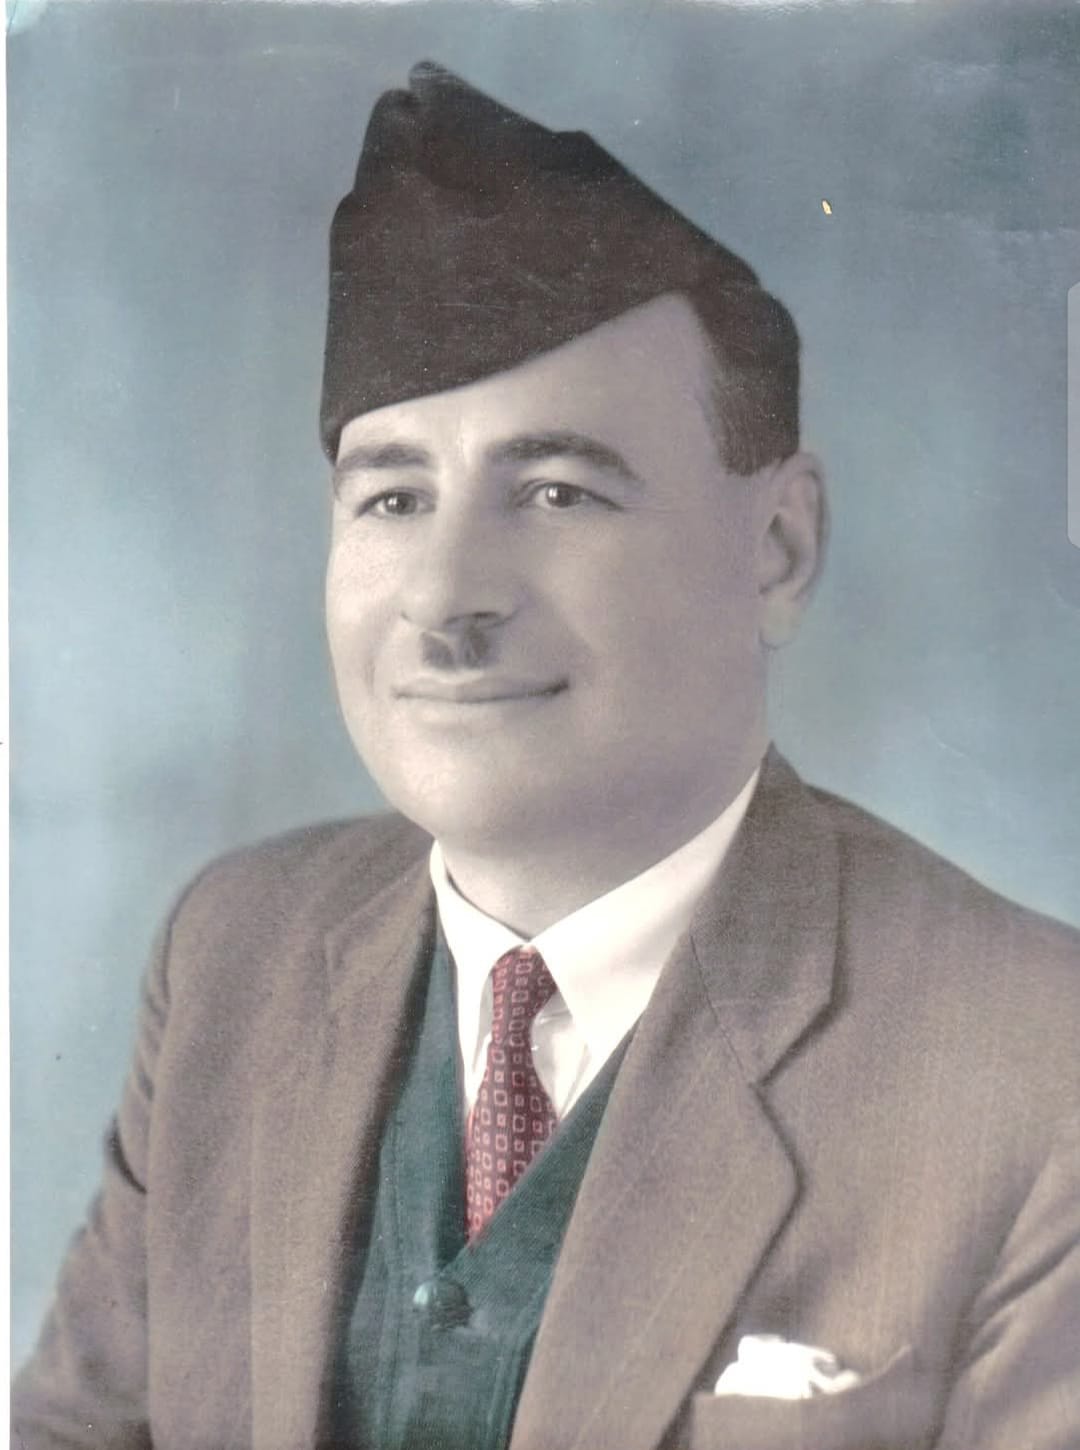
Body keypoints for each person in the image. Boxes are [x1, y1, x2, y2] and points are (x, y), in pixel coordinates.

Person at [13, 61, 1080, 1450]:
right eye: (393, 497)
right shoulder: (233, 956)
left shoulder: (1037, 1066)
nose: (445, 598)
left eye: (559, 491)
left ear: (778, 546)